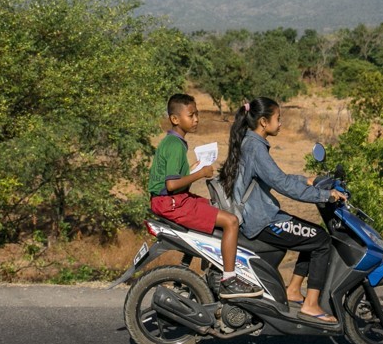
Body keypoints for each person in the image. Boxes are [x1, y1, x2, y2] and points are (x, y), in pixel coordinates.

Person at [219, 97, 348, 323]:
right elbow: (283, 185)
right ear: (263, 122)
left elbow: (277, 178)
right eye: (278, 119)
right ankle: (310, 304)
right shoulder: (256, 147)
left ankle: (294, 290)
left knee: (311, 234)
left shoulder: (250, 142)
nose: (280, 124)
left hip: (257, 214)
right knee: (321, 241)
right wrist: (325, 195)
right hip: (260, 219)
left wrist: (306, 179)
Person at [148, 94, 261, 299]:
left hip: (169, 200)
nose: (196, 119)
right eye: (191, 115)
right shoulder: (174, 145)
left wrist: (194, 168)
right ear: (175, 119)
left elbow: (174, 178)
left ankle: (203, 271)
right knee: (231, 221)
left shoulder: (173, 141)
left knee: (213, 208)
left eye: (197, 114)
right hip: (171, 202)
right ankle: (229, 279)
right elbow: (171, 185)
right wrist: (200, 174)